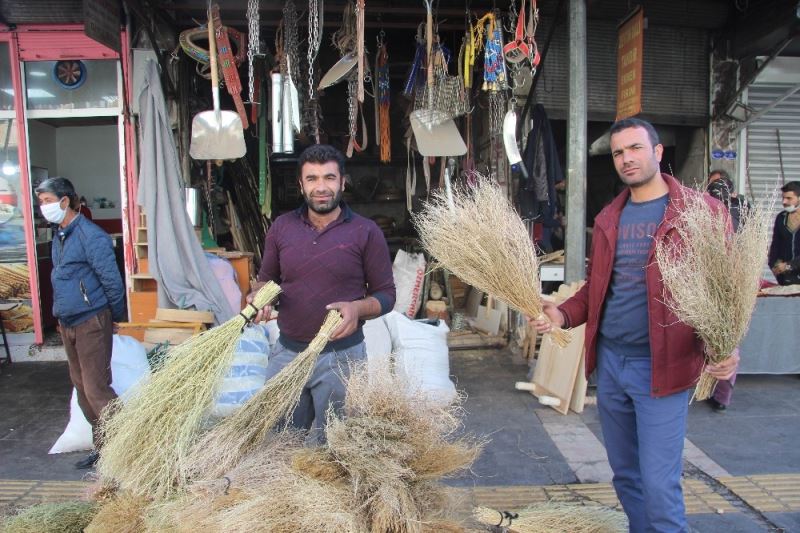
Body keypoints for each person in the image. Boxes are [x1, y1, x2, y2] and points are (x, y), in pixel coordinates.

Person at [530, 118, 739, 532]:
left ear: (658, 153)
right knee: (626, 477)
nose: (627, 158)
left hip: (661, 367)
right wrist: (560, 313)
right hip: (611, 364)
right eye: (619, 153)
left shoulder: (702, 214)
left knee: (660, 485)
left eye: (635, 149)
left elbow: (727, 291)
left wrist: (728, 347)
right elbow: (597, 288)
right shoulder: (610, 217)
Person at [252, 144, 396, 443]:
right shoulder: (281, 228)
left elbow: (386, 294)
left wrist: (357, 309)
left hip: (341, 359)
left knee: (338, 448)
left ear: (343, 182)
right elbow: (267, 282)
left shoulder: (366, 232)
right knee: (278, 445)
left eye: (329, 178)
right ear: (300, 185)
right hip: (287, 356)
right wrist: (259, 300)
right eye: (312, 179)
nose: (321, 187)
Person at [34, 177, 125, 469]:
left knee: (97, 388)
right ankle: (105, 447)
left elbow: (112, 280)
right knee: (82, 389)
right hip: (68, 322)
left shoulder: (90, 236)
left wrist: (116, 317)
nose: (43, 207)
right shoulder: (60, 236)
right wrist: (60, 316)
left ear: (65, 201)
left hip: (91, 321)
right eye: (41, 201)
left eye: (47, 201)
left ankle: (129, 445)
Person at [704, 170, 748, 411]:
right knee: (726, 341)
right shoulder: (741, 208)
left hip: (726, 286)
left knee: (724, 340)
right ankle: (720, 395)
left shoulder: (714, 212)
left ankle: (718, 393)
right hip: (729, 285)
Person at [768, 180, 800, 286]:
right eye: (783, 198)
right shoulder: (781, 218)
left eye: (789, 198)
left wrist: (789, 265)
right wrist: (774, 266)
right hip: (786, 280)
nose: (784, 202)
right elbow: (775, 246)